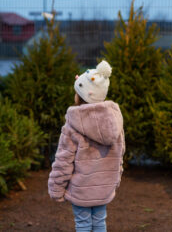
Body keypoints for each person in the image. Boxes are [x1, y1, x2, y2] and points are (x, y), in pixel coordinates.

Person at [48, 60, 125, 232]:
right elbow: (120, 154)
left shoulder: (72, 125)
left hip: (81, 188)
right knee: (99, 223)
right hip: (104, 187)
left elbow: (63, 160)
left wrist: (56, 188)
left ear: (80, 96)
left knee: (83, 224)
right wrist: (115, 179)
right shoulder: (114, 121)